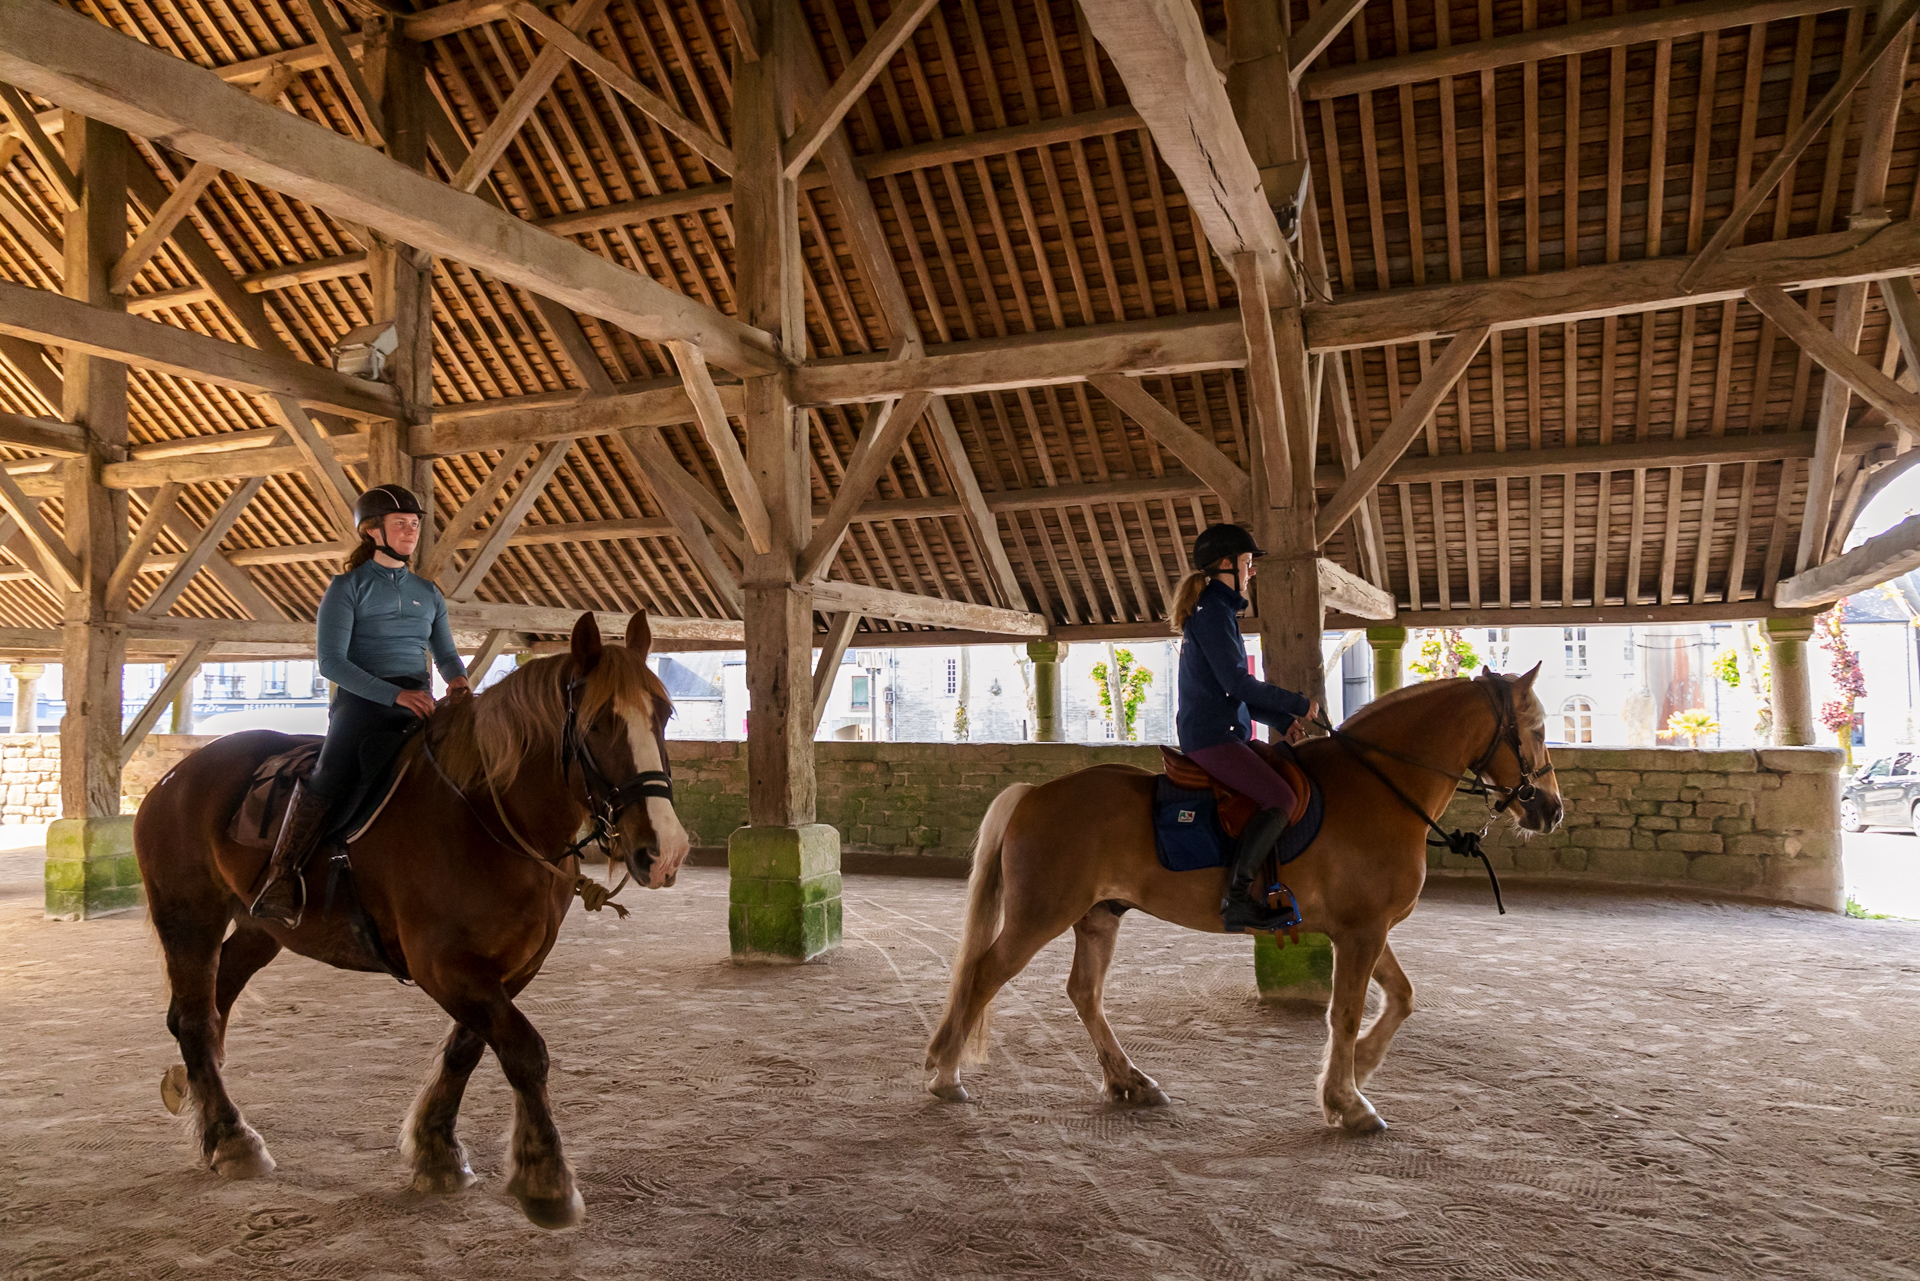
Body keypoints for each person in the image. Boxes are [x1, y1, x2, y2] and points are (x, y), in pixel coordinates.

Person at [248, 484, 471, 927]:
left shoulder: (429, 593)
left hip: (420, 699)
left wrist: (459, 682)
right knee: (330, 771)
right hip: (364, 701)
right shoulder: (346, 587)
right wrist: (394, 694)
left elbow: (445, 654)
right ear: (373, 531)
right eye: (401, 524)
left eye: (414, 525)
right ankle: (282, 875)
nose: (410, 532)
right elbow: (331, 662)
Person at [1171, 523, 1319, 933]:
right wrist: (1300, 703)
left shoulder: (1218, 611)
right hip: (1212, 737)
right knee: (1280, 798)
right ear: (1226, 565)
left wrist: (1283, 721)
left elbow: (1234, 693)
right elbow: (1239, 684)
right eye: (1247, 563)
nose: (1251, 571)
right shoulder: (1213, 614)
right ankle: (1235, 899)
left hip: (1224, 731)